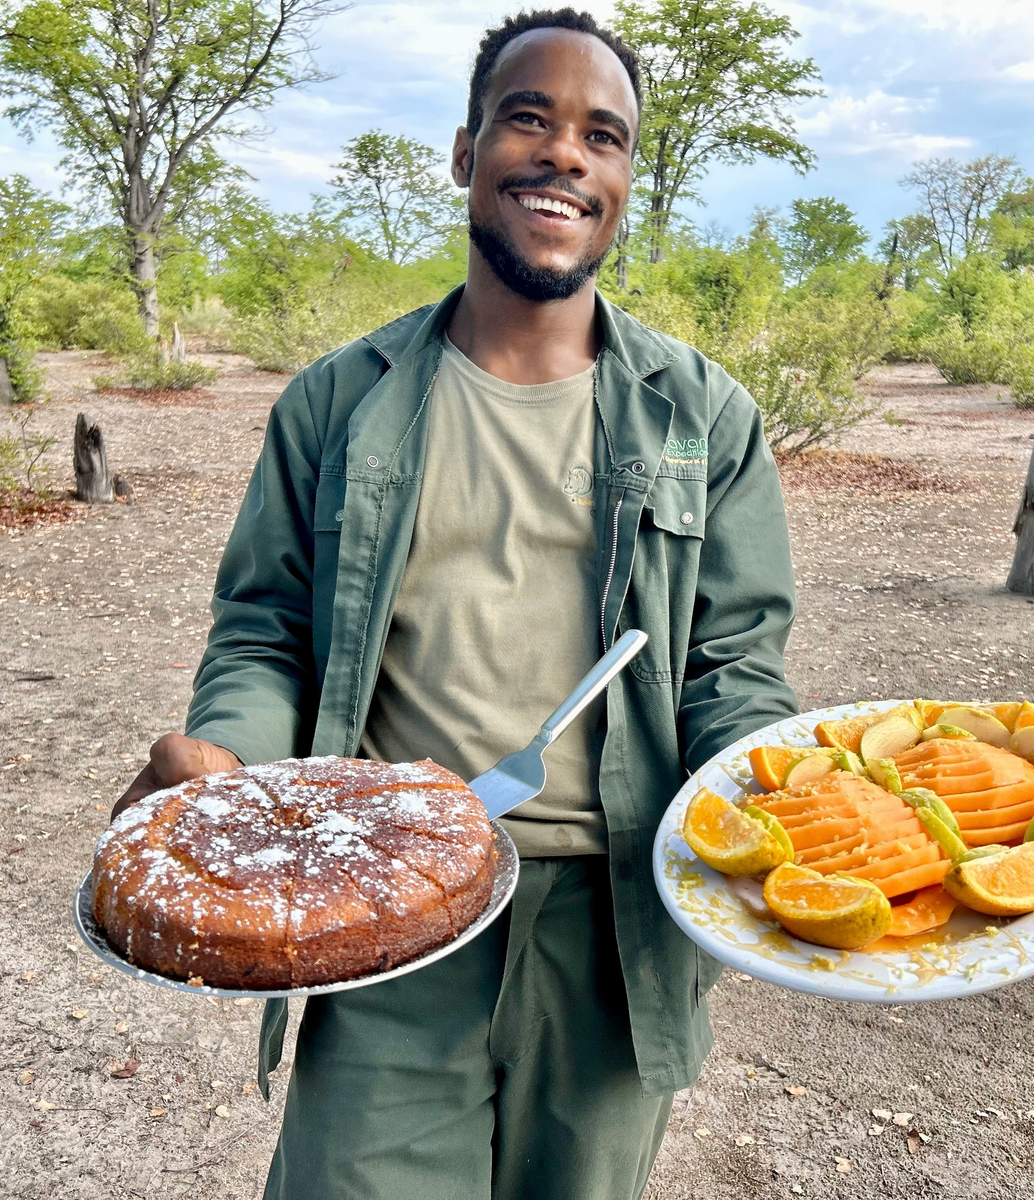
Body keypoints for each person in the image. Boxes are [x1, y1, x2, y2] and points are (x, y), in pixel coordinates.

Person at [112, 9, 797, 1198]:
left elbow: (731, 666)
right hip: (386, 907)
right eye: (528, 118)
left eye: (604, 136)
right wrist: (229, 759)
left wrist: (779, 804)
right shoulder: (338, 404)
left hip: (614, 925)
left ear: (627, 179)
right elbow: (266, 630)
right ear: (465, 150)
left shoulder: (703, 418)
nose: (566, 155)